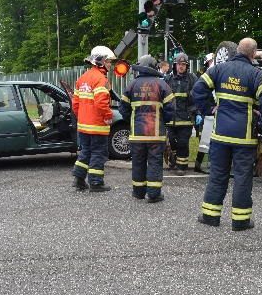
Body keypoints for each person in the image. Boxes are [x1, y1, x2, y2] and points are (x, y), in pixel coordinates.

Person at [192, 38, 262, 231]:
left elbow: (198, 89)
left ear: (236, 50)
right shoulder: (256, 74)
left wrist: (209, 109)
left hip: (220, 135)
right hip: (244, 138)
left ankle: (210, 216)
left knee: (217, 175)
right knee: (242, 178)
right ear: (253, 54)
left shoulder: (218, 70)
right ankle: (240, 221)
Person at [118, 55, 175, 203]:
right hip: (155, 134)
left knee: (138, 162)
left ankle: (138, 192)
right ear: (153, 68)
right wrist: (164, 121)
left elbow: (123, 108)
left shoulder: (131, 85)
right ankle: (154, 194)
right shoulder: (162, 85)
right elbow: (171, 109)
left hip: (137, 134)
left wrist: (132, 120)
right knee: (155, 162)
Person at [71, 46, 116, 192]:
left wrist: (83, 117)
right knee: (98, 153)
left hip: (83, 125)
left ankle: (79, 180)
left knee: (85, 152)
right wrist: (108, 115)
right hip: (97, 125)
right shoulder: (100, 79)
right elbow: (101, 103)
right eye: (109, 61)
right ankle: (96, 183)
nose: (110, 64)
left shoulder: (82, 78)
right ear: (101, 61)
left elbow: (75, 104)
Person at [165, 53, 200, 176]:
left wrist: (197, 112)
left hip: (186, 118)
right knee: (172, 142)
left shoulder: (192, 79)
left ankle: (182, 166)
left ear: (186, 66)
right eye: (179, 64)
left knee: (182, 143)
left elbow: (198, 96)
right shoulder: (168, 79)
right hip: (171, 119)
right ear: (175, 65)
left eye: (183, 64)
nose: (181, 67)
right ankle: (173, 159)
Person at [194, 52, 215, 173]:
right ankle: (201, 165)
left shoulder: (213, 73)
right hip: (208, 111)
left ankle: (203, 165)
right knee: (206, 141)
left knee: (209, 141)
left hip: (211, 111)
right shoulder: (207, 75)